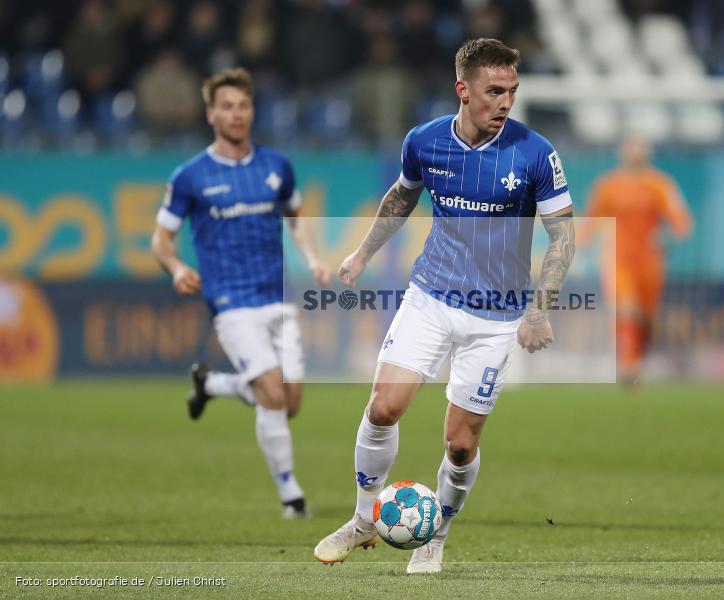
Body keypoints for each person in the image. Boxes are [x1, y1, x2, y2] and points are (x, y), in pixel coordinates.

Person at [313, 38, 575, 573]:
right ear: (463, 89)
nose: (505, 103)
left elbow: (563, 237)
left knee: (459, 445)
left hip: (496, 320)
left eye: (512, 92)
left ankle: (435, 536)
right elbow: (401, 197)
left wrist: (539, 309)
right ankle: (364, 520)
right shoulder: (425, 141)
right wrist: (363, 253)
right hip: (431, 296)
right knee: (383, 407)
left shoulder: (536, 153)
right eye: (494, 91)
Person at [150, 67, 331, 518]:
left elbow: (296, 218)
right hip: (230, 302)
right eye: (227, 106)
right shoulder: (191, 175)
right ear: (211, 114)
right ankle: (292, 498)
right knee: (270, 392)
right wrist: (174, 267)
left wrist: (310, 258)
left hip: (278, 297)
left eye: (244, 105)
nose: (237, 114)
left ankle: (211, 384)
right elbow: (160, 239)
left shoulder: (276, 166)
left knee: (289, 404)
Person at [579, 136, 693, 386]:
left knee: (647, 318)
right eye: (631, 146)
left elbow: (680, 219)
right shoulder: (608, 185)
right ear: (622, 151)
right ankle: (628, 367)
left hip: (650, 261)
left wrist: (669, 236)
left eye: (640, 146)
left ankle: (638, 359)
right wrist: (579, 241)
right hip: (618, 258)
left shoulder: (660, 184)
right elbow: (593, 217)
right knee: (627, 308)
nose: (635, 152)